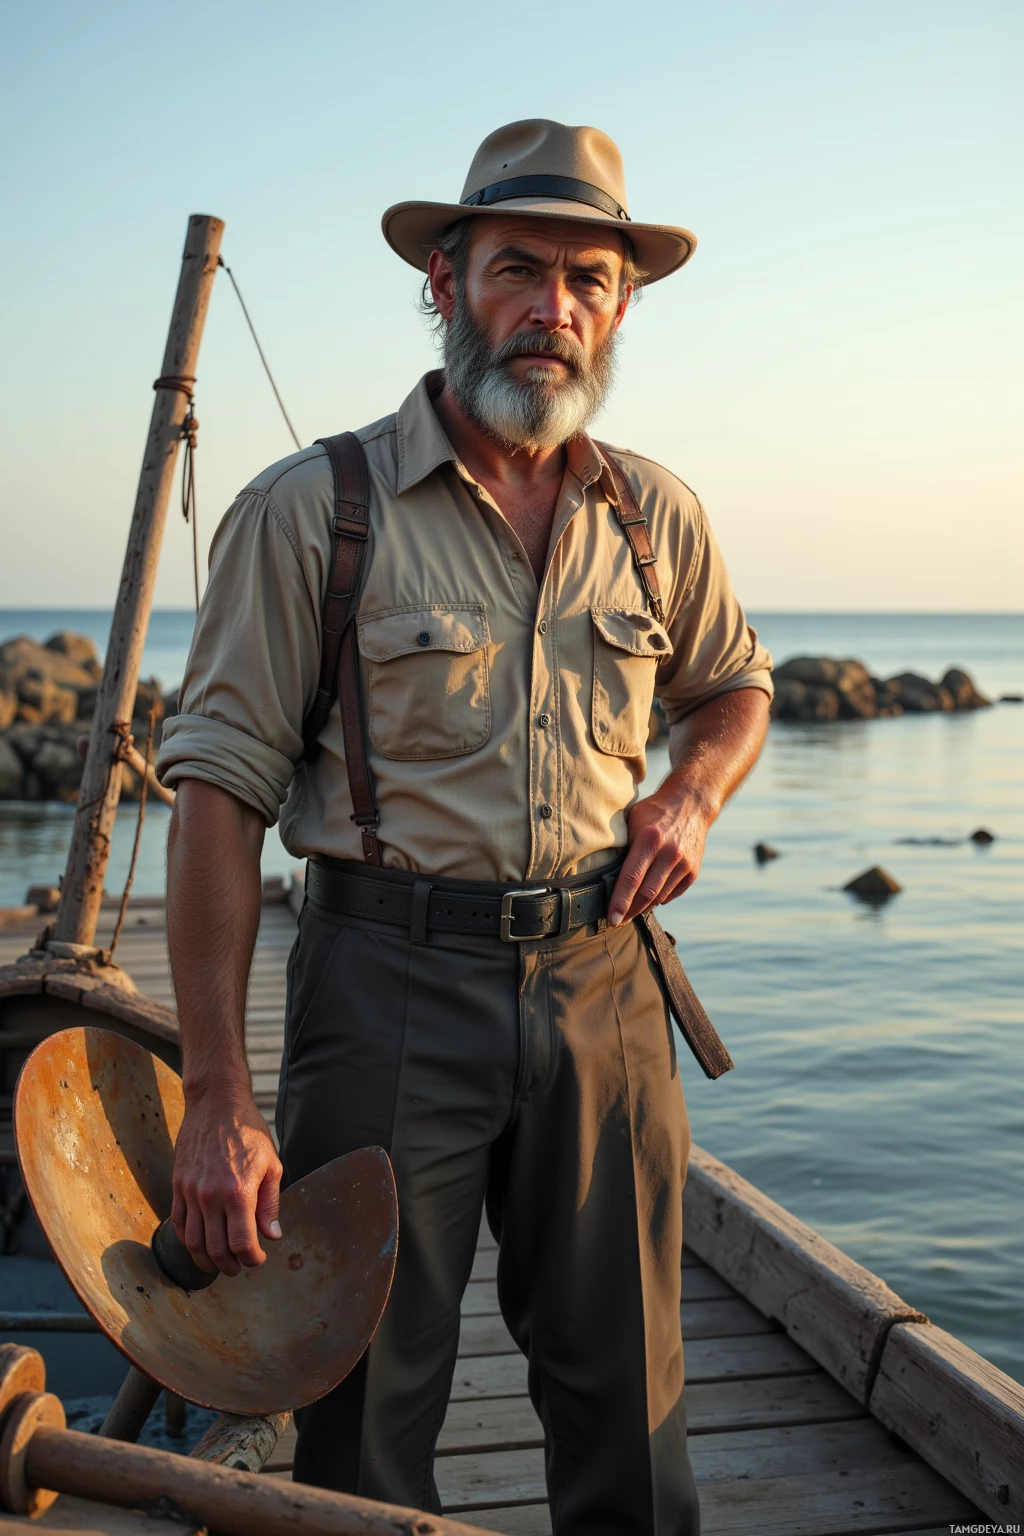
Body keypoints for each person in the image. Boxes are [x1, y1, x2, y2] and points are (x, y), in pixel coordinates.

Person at [158, 118, 773, 1535]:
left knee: (632, 1404)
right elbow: (217, 797)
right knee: (364, 1408)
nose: (554, 307)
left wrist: (692, 791)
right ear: (446, 282)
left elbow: (735, 685)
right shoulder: (313, 511)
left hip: (607, 987)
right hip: (386, 988)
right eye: (518, 269)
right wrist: (215, 1098)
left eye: (588, 279)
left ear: (621, 306)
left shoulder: (653, 513)